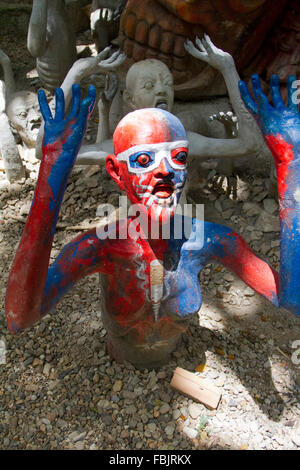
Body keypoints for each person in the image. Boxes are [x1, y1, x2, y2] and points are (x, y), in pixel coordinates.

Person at [5, 75, 300, 369]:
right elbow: (20, 316)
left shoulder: (207, 240)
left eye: (178, 157)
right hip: (119, 371)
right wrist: (54, 168)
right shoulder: (101, 247)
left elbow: (292, 300)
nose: (165, 172)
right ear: (117, 173)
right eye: (144, 160)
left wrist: (290, 161)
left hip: (173, 360)